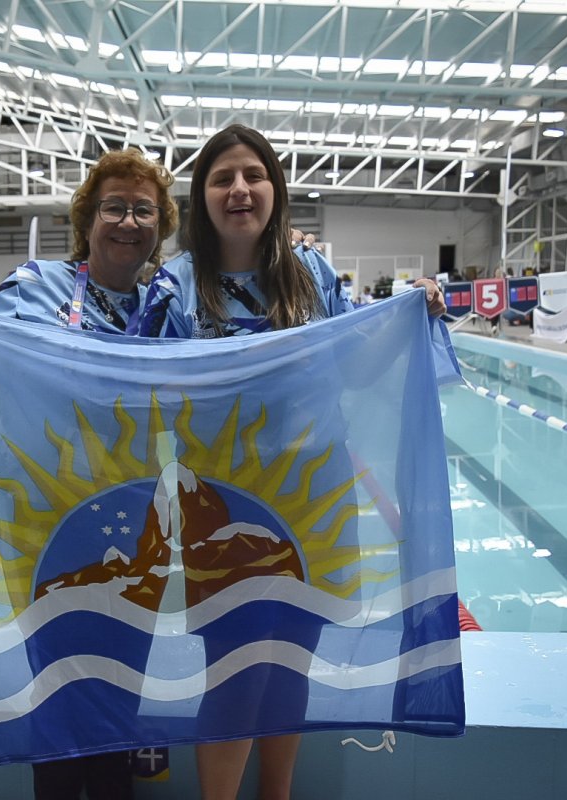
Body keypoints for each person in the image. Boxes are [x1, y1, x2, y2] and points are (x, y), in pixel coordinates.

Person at [132, 124, 443, 800]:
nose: (239, 189)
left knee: (291, 663)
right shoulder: (175, 287)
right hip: (226, 509)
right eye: (222, 178)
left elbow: (358, 367)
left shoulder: (312, 275)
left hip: (315, 504)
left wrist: (412, 316)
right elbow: (128, 380)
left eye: (254, 175)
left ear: (274, 188)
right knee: (232, 669)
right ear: (202, 196)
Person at [0, 147, 180, 800]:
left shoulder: (170, 307)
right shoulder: (33, 288)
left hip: (136, 520)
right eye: (114, 207)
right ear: (87, 219)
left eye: (144, 210)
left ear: (160, 226)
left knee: (122, 686)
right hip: (41, 524)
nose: (128, 222)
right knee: (51, 686)